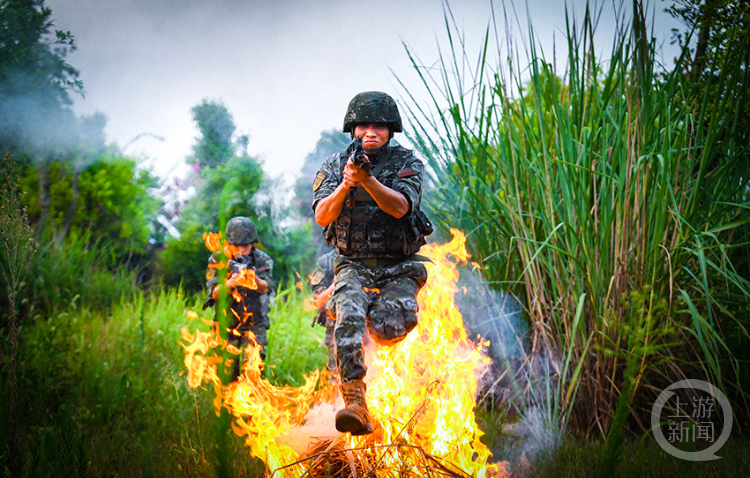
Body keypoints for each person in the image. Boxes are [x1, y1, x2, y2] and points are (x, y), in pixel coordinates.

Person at [312, 91, 433, 436]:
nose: (370, 132)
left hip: (400, 266)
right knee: (346, 317)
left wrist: (368, 181)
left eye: (378, 126)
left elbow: (399, 208)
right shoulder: (335, 166)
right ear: (352, 129)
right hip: (353, 265)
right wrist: (346, 184)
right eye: (363, 125)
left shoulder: (406, 162)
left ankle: (380, 325)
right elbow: (323, 216)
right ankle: (355, 402)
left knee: (388, 326)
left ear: (390, 130)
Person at [203, 216, 274, 381]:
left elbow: (267, 287)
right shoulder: (218, 259)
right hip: (226, 321)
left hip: (255, 322)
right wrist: (231, 282)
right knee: (227, 375)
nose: (241, 250)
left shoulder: (262, 259)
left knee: (253, 372)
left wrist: (254, 279)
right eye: (237, 245)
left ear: (253, 243)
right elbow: (214, 293)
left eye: (246, 245)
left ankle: (252, 405)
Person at [309, 249, 339, 377]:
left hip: (370, 332)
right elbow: (320, 303)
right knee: (338, 376)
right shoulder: (327, 262)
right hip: (338, 332)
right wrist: (337, 284)